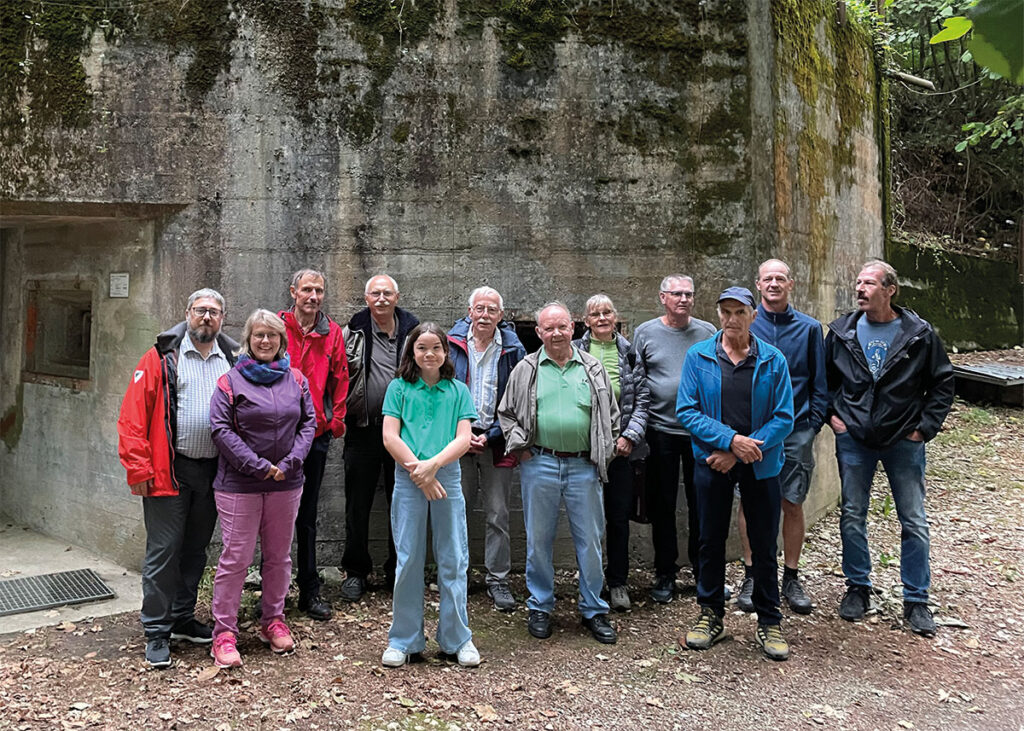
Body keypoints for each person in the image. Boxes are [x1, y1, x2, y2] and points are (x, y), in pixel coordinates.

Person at [826, 260, 954, 637]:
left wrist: (924, 428)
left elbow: (943, 383)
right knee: (852, 514)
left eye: (869, 283)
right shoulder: (842, 332)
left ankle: (916, 599)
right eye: (858, 283)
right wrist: (834, 417)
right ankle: (857, 588)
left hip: (903, 439)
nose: (860, 289)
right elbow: (826, 380)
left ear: (890, 289)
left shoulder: (919, 333)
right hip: (855, 439)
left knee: (913, 519)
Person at [117, 288, 238, 668]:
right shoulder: (160, 358)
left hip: (213, 472)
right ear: (187, 313)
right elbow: (133, 417)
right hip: (170, 471)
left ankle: (183, 617)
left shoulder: (233, 359)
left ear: (222, 318)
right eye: (200, 310)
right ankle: (156, 630)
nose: (207, 317)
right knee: (162, 552)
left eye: (214, 312)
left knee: (195, 550)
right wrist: (138, 469)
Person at [677, 287, 795, 661]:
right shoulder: (699, 357)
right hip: (712, 461)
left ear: (753, 315)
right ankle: (710, 614)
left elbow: (784, 417)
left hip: (760, 465)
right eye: (725, 312)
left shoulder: (773, 360)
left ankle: (769, 619)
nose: (732, 319)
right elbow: (688, 410)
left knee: (763, 543)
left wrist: (743, 450)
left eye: (739, 312)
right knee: (709, 540)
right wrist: (729, 443)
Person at [498, 303, 621, 645]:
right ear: (538, 333)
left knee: (591, 541)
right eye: (548, 328)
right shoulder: (526, 369)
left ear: (573, 328)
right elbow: (506, 413)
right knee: (538, 540)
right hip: (540, 462)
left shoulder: (593, 368)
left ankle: (594, 609)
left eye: (561, 327)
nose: (555, 333)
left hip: (584, 465)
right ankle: (540, 605)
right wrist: (520, 447)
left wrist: (603, 450)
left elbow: (612, 415)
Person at [207, 310, 316, 668]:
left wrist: (288, 465)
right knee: (236, 558)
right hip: (239, 484)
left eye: (272, 335)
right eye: (259, 336)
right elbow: (221, 429)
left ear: (282, 340)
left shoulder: (296, 380)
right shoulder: (229, 382)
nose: (265, 341)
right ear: (248, 341)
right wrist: (257, 466)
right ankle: (224, 633)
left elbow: (308, 424)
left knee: (279, 555)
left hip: (286, 482)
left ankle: (273, 619)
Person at [380, 323, 480, 668]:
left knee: (453, 557)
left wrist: (432, 467)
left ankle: (457, 639)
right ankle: (404, 639)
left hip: (446, 477)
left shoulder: (458, 391)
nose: (429, 354)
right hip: (409, 478)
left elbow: (464, 438)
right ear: (412, 352)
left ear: (445, 353)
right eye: (422, 348)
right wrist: (418, 474)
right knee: (408, 558)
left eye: (436, 348)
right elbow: (390, 436)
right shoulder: (398, 388)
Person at [735, 259, 828, 615]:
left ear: (791, 284)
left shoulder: (807, 329)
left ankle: (790, 576)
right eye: (767, 278)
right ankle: (752, 574)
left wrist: (811, 425)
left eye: (780, 278)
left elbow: (820, 382)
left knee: (792, 501)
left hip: (794, 431)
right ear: (757, 285)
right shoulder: (746, 324)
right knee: (749, 501)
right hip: (752, 432)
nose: (773, 283)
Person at [633, 275, 716, 602]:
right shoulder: (646, 333)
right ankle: (665, 573)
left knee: (702, 505)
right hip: (661, 431)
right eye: (677, 294)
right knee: (663, 505)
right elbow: (636, 380)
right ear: (662, 297)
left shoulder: (708, 332)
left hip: (700, 433)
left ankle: (702, 573)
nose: (683, 299)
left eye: (688, 294)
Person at [341, 274, 420, 602]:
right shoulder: (353, 329)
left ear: (397, 296)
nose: (382, 298)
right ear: (366, 297)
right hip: (362, 428)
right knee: (357, 504)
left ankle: (397, 569)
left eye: (388, 293)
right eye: (376, 293)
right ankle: (356, 571)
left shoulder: (413, 330)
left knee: (401, 501)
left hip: (404, 433)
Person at [447, 287, 526, 611]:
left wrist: (492, 434)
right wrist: (462, 434)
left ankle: (498, 580)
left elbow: (519, 398)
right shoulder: (451, 344)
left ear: (501, 316)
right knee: (456, 512)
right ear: (469, 311)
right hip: (457, 441)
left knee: (498, 514)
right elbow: (441, 391)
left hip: (497, 441)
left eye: (491, 310)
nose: (484, 315)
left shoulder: (513, 350)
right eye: (479, 309)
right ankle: (456, 577)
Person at [277, 269, 349, 620]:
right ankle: (273, 593)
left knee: (307, 518)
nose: (314, 296)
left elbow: (340, 377)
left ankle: (309, 591)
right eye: (307, 289)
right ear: (293, 292)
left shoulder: (331, 332)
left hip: (316, 438)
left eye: (319, 290)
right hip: (275, 438)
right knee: (271, 516)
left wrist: (335, 421)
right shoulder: (276, 327)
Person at [572, 294, 650, 611]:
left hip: (621, 451)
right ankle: (590, 582)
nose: (602, 318)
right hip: (585, 450)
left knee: (618, 518)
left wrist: (629, 436)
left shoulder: (629, 353)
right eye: (595, 314)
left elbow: (643, 400)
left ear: (615, 317)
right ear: (586, 320)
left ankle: (617, 582)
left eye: (607, 312)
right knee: (587, 520)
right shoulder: (575, 350)